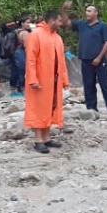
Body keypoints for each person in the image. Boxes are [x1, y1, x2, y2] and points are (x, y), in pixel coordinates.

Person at [62, 3, 107, 120]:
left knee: (106, 86)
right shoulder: (82, 25)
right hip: (85, 60)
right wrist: (64, 10)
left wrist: (99, 57)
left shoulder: (102, 26)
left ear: (96, 13)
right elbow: (66, 23)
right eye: (86, 11)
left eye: (90, 11)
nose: (87, 13)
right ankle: (92, 110)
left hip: (100, 61)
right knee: (88, 86)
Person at [24, 9, 70, 154]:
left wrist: (63, 79)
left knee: (50, 107)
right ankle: (38, 140)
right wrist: (32, 79)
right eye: (59, 21)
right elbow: (30, 59)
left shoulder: (57, 38)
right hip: (40, 80)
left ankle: (46, 137)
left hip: (54, 80)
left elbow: (61, 61)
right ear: (52, 20)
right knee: (39, 108)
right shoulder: (36, 35)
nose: (61, 24)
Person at [10, 13, 33, 97]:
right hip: (21, 53)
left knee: (16, 71)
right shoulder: (24, 33)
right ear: (22, 23)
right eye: (27, 22)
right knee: (22, 71)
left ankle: (15, 88)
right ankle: (22, 88)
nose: (28, 24)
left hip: (15, 53)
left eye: (29, 22)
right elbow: (27, 45)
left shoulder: (17, 31)